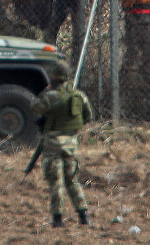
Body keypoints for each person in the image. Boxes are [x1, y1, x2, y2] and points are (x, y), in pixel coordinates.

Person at [31, 62, 93, 228]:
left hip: (52, 145)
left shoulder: (50, 96)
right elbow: (88, 117)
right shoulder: (79, 96)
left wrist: (45, 90)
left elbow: (35, 107)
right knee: (72, 180)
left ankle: (57, 219)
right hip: (71, 145)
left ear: (53, 78)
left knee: (56, 182)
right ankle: (83, 216)